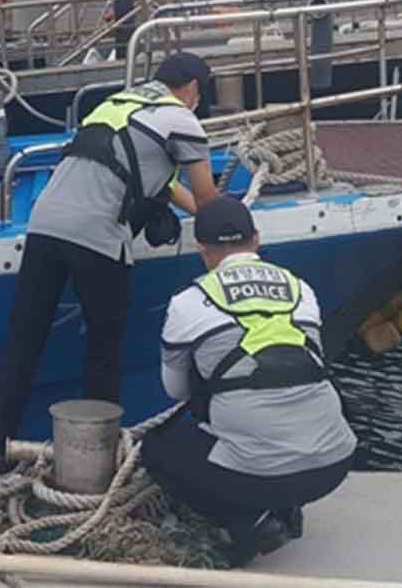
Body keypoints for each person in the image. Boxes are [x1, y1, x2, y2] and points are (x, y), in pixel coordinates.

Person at [0, 52, 221, 474]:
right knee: (102, 351)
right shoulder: (182, 119)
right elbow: (206, 198)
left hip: (44, 226)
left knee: (23, 345)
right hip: (96, 238)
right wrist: (233, 225)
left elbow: (154, 180)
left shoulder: (116, 104)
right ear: (193, 90)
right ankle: (95, 463)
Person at [140, 196, 357, 568]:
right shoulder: (302, 290)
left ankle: (252, 523)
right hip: (334, 467)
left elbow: (175, 391)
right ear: (256, 239)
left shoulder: (189, 301)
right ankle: (286, 507)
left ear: (202, 250)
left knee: (157, 452)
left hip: (255, 476)